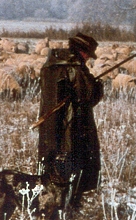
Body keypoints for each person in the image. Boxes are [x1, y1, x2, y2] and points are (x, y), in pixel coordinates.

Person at [37, 33, 104, 208]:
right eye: (88, 53)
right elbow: (86, 97)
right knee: (75, 163)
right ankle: (69, 204)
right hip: (74, 125)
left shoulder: (50, 65)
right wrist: (97, 86)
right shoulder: (76, 68)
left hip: (50, 124)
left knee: (53, 161)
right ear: (82, 52)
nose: (89, 57)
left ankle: (49, 202)